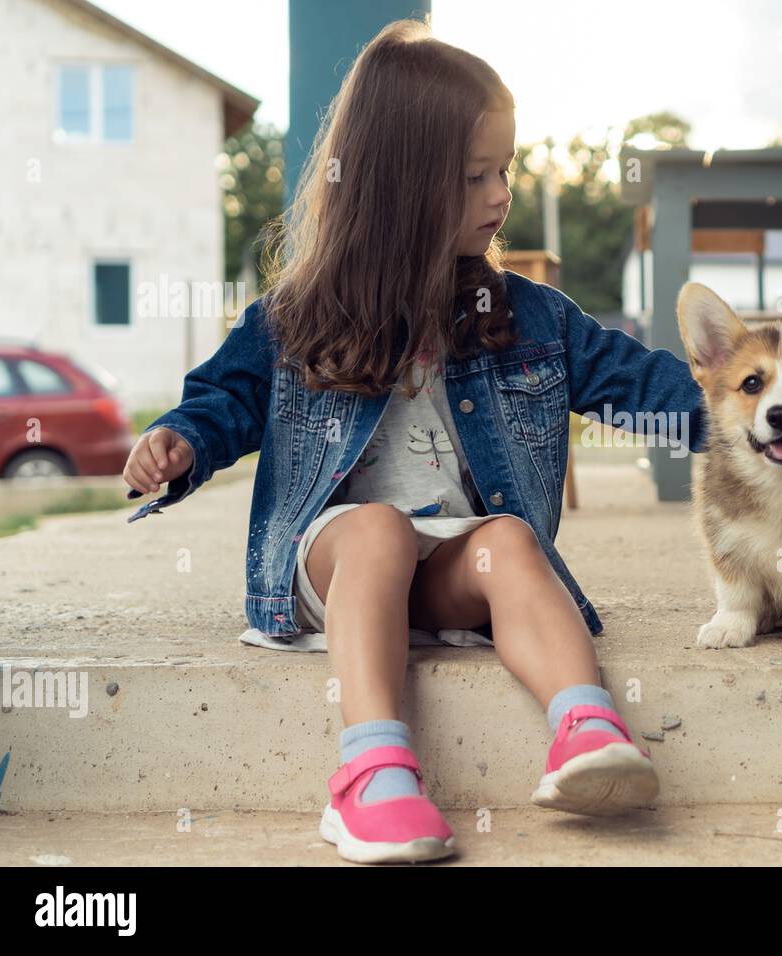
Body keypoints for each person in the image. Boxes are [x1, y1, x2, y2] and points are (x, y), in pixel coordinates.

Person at [122, 18, 708, 864]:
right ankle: (371, 774)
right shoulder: (296, 317)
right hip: (338, 559)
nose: (502, 194)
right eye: (477, 176)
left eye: (504, 169)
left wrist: (759, 417)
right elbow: (224, 400)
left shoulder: (530, 318)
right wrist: (179, 441)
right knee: (378, 528)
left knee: (508, 540)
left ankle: (589, 732)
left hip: (444, 572)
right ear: (398, 183)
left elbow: (642, 387)